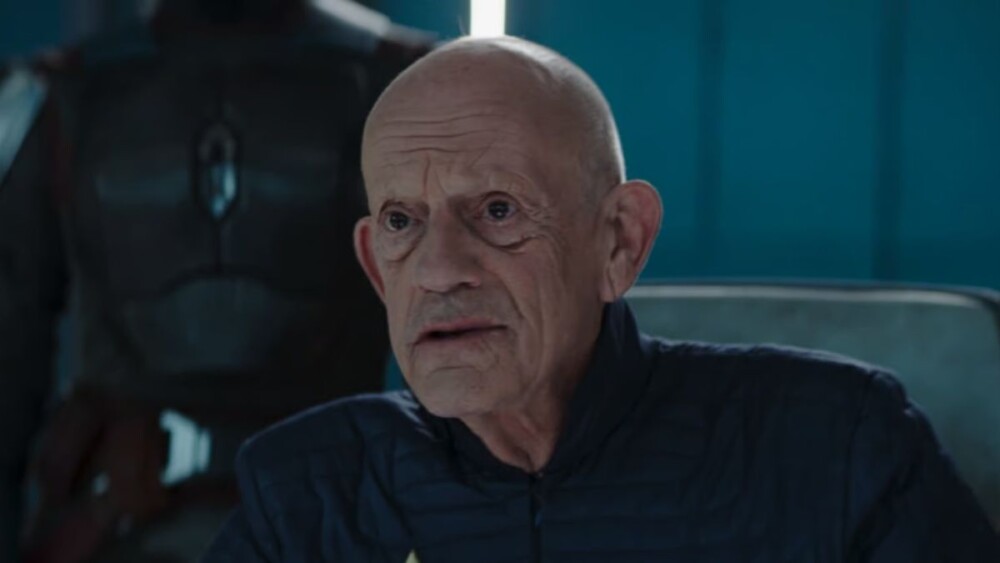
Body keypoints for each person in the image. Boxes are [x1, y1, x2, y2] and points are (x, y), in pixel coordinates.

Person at [202, 37, 1000, 562]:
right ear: (378, 271)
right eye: (403, 223)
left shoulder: (836, 448)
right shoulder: (308, 491)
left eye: (498, 211)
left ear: (619, 242)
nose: (439, 270)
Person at [0, 1, 431, 561]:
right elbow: (11, 356)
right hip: (118, 518)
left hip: (328, 520)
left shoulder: (401, 82)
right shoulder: (66, 94)